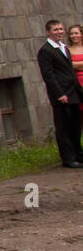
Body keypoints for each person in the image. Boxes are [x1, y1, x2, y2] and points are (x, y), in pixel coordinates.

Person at [36, 19, 83, 168]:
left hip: (73, 91)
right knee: (64, 127)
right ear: (48, 32)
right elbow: (48, 75)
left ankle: (78, 155)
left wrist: (79, 90)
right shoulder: (45, 51)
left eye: (61, 29)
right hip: (61, 94)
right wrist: (59, 94)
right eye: (56, 30)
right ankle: (68, 159)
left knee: (76, 126)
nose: (59, 32)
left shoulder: (64, 47)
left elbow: (70, 71)